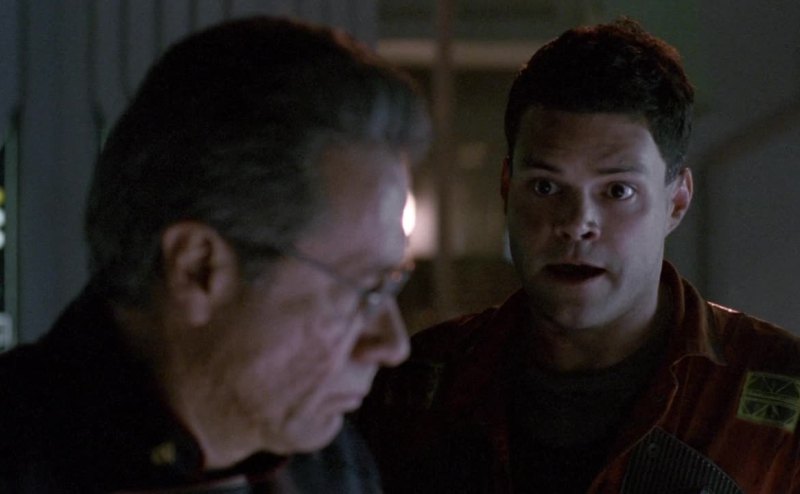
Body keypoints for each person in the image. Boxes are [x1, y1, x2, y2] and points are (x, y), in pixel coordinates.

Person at [358, 18, 800, 494]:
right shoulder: (411, 389)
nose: (576, 222)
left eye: (617, 190)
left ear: (676, 202)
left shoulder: (781, 393)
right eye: (546, 187)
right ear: (507, 188)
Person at [0, 16, 430, 493]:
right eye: (362, 290)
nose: (393, 345)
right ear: (197, 269)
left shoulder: (333, 465)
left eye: (392, 283)